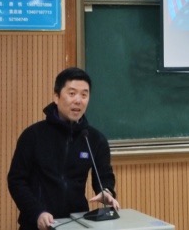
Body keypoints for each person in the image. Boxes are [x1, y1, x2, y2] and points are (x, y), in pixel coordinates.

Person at [7, 67, 119, 230]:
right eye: (72, 93)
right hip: (37, 223)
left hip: (77, 223)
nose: (78, 100)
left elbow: (104, 176)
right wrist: (37, 212)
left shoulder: (94, 139)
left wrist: (106, 192)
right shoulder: (33, 135)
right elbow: (16, 181)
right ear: (56, 97)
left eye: (84, 95)